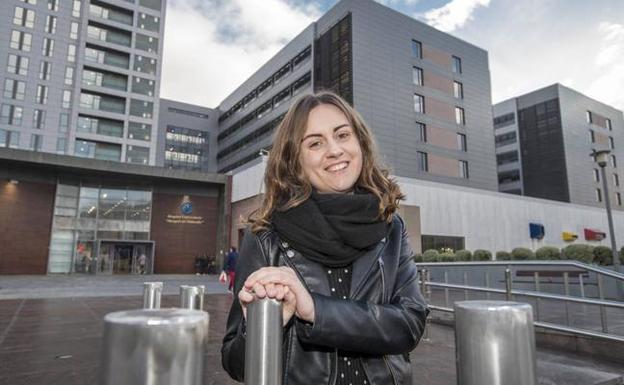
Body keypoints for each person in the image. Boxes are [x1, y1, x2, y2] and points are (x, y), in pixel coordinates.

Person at [221, 92, 429, 384]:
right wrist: (256, 326)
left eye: (343, 135)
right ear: (295, 161)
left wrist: (314, 309)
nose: (334, 150)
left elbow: (410, 324)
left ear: (360, 143)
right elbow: (236, 364)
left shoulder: (391, 227)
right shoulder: (265, 236)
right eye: (315, 143)